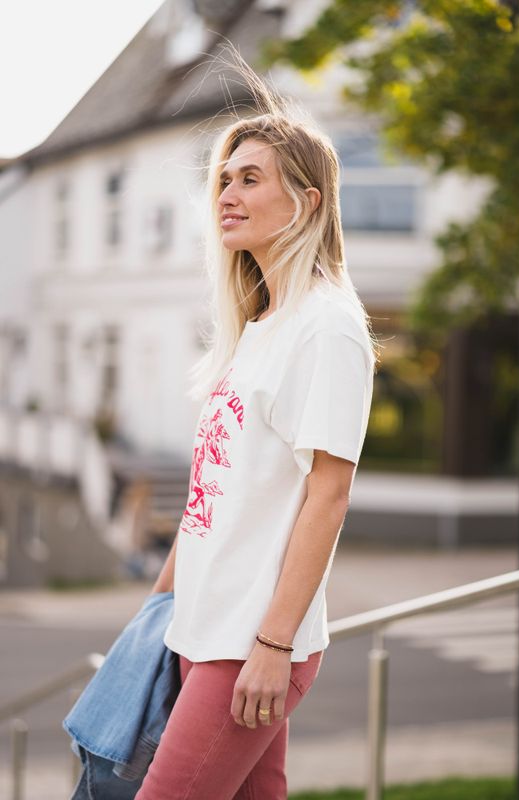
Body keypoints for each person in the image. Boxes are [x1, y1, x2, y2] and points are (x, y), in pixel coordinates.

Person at [134, 48, 380, 800]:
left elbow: (326, 497)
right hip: (198, 630)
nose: (227, 196)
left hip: (246, 646)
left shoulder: (326, 328)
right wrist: (155, 611)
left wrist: (272, 646)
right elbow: (215, 493)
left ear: (304, 202)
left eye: (249, 179)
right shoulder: (261, 326)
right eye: (223, 180)